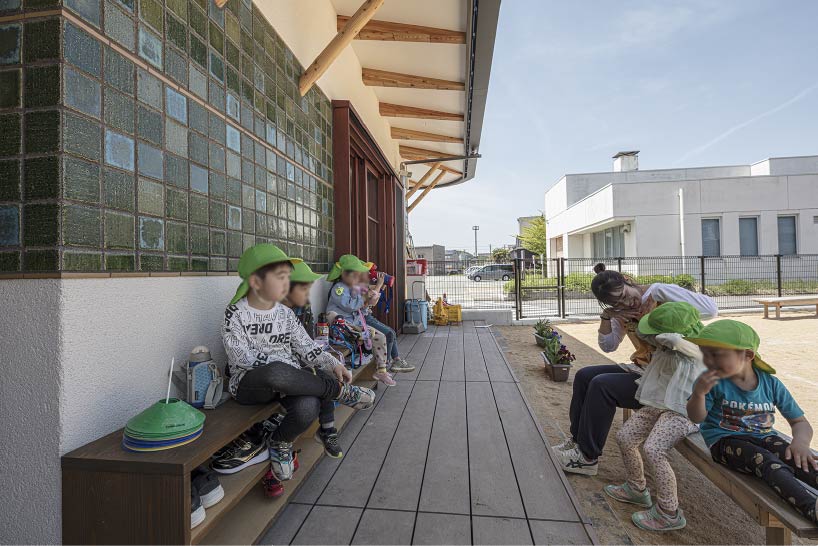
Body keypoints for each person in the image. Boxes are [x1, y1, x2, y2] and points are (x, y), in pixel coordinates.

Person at [222, 244, 375, 483]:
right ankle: (340, 392)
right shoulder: (235, 313)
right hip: (250, 385)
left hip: (289, 381)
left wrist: (332, 363)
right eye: (280, 277)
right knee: (276, 371)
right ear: (256, 282)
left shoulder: (285, 314)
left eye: (287, 277)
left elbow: (307, 347)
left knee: (308, 406)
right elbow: (242, 359)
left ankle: (280, 441)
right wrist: (287, 366)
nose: (286, 283)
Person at [557, 263, 718, 476]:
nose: (626, 302)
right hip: (646, 369)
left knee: (602, 385)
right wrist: (608, 317)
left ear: (627, 280)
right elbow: (608, 346)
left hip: (672, 377)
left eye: (624, 295)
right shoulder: (622, 311)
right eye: (617, 302)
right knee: (585, 375)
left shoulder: (659, 293)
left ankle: (587, 457)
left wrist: (658, 293)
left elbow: (711, 309)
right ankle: (577, 442)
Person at [687, 320, 818, 524]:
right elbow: (696, 418)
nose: (708, 361)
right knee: (765, 461)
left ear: (748, 355)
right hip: (725, 442)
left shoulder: (770, 383)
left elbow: (799, 422)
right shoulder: (711, 382)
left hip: (765, 437)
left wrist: (800, 442)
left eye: (717, 354)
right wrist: (699, 394)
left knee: (799, 457)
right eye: (705, 353)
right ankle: (811, 508)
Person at [604, 302, 706, 532]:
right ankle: (636, 488)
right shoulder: (665, 346)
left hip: (682, 411)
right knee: (625, 437)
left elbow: (694, 352)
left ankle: (668, 512)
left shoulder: (694, 349)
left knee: (654, 449)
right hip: (658, 404)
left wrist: (675, 339)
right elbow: (642, 332)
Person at [281, 261, 344, 459]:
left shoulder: (300, 310)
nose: (308, 295)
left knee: (324, 374)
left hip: (296, 366)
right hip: (276, 374)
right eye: (304, 288)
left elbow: (306, 344)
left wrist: (332, 362)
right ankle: (330, 422)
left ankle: (328, 429)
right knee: (321, 380)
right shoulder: (272, 315)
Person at [326, 254, 396, 387]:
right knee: (371, 334)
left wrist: (368, 298)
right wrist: (363, 299)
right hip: (343, 327)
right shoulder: (339, 289)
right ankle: (363, 357)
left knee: (379, 336)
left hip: (355, 325)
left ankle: (381, 370)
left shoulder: (355, 288)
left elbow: (361, 310)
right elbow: (349, 306)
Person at [357, 264, 415, 373]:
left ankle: (396, 360)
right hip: (363, 319)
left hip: (367, 316)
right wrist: (379, 284)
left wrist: (382, 285)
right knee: (389, 334)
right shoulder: (357, 287)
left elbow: (376, 296)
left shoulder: (363, 285)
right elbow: (371, 302)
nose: (369, 274)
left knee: (391, 332)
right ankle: (386, 363)